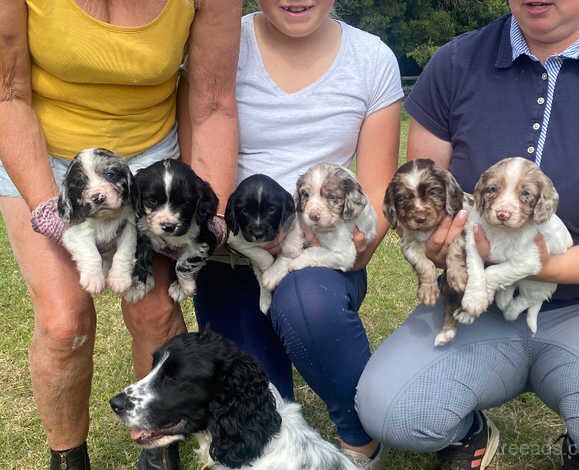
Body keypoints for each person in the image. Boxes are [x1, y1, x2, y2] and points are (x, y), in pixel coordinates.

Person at [355, 1, 579, 469]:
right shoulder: (457, 61)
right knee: (392, 410)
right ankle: (470, 432)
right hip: (473, 302)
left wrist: (532, 265)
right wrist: (441, 245)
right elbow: (432, 194)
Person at [0, 1, 241, 469]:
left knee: (155, 311)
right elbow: (6, 93)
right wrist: (49, 208)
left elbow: (212, 102)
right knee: (63, 321)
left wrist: (212, 211)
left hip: (149, 168)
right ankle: (68, 458)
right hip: (48, 159)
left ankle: (160, 450)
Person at [191, 1, 404, 468]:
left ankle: (359, 442)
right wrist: (232, 238)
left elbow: (377, 191)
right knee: (258, 415)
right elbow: (199, 160)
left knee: (307, 305)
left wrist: (337, 251)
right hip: (233, 254)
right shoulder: (219, 41)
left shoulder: (372, 58)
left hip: (321, 251)